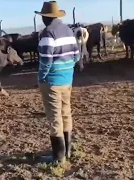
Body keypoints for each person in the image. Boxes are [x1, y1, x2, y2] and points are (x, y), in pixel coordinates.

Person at [35, 1, 80, 164]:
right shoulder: (68, 30)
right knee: (66, 113)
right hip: (67, 80)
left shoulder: (48, 33)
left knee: (55, 117)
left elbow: (46, 61)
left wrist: (41, 77)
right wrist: (67, 69)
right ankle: (67, 151)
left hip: (52, 81)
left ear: (46, 18)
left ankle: (58, 157)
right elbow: (77, 56)